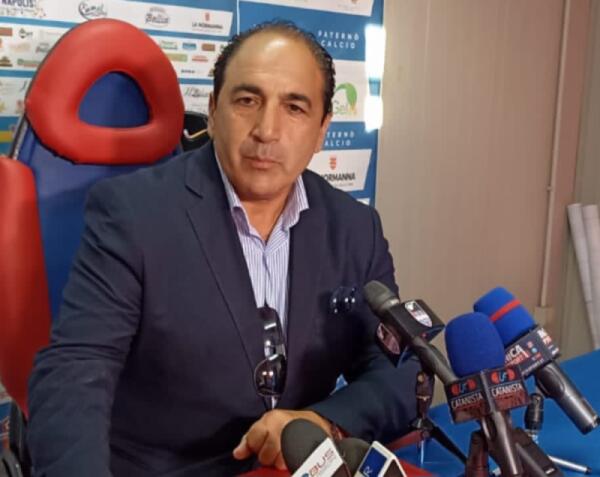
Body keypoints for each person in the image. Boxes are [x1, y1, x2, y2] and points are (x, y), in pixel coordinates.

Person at [27, 21, 419, 476]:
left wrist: (324, 422)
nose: (266, 130)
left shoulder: (354, 228)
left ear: (321, 130)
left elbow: (400, 370)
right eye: (247, 100)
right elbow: (76, 371)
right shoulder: (133, 213)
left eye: (294, 107)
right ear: (213, 111)